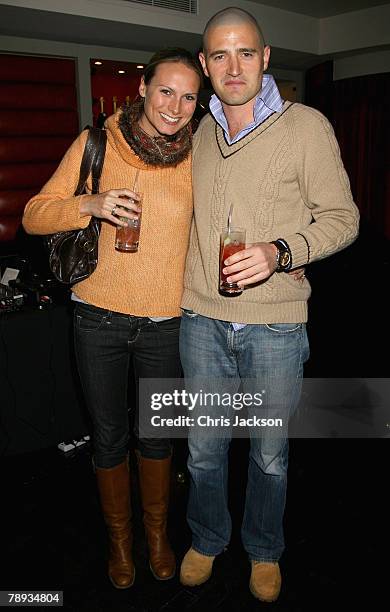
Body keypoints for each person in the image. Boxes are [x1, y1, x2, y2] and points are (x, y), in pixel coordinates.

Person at [179, 7, 360, 603]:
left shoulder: (305, 126)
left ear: (266, 58)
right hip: (201, 318)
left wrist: (283, 251)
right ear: (205, 66)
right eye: (220, 56)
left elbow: (343, 219)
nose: (234, 67)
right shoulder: (195, 133)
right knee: (203, 449)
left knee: (269, 456)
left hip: (276, 326)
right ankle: (207, 538)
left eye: (246, 53)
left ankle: (263, 550)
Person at [22, 48, 203, 589]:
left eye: (189, 96)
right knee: (108, 437)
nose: (175, 106)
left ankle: (156, 536)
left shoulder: (204, 154)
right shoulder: (98, 142)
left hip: (168, 321)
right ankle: (121, 542)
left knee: (159, 438)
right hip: (98, 317)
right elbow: (34, 214)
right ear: (143, 87)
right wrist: (90, 204)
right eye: (165, 90)